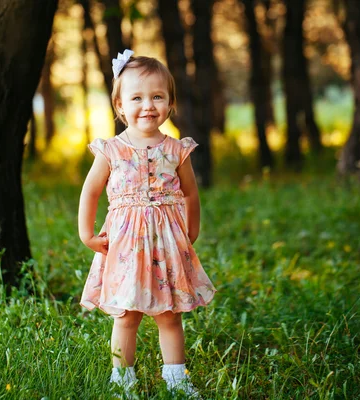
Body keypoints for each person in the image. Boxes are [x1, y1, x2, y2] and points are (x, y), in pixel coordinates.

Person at [78, 49, 216, 396]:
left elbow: (190, 194)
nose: (148, 105)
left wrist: (191, 230)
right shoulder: (111, 150)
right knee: (126, 315)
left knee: (169, 314)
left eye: (157, 97)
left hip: (167, 244)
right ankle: (122, 380)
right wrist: (87, 234)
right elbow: (90, 192)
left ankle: (177, 379)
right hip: (124, 246)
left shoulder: (176, 149)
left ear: (170, 104)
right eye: (137, 97)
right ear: (120, 105)